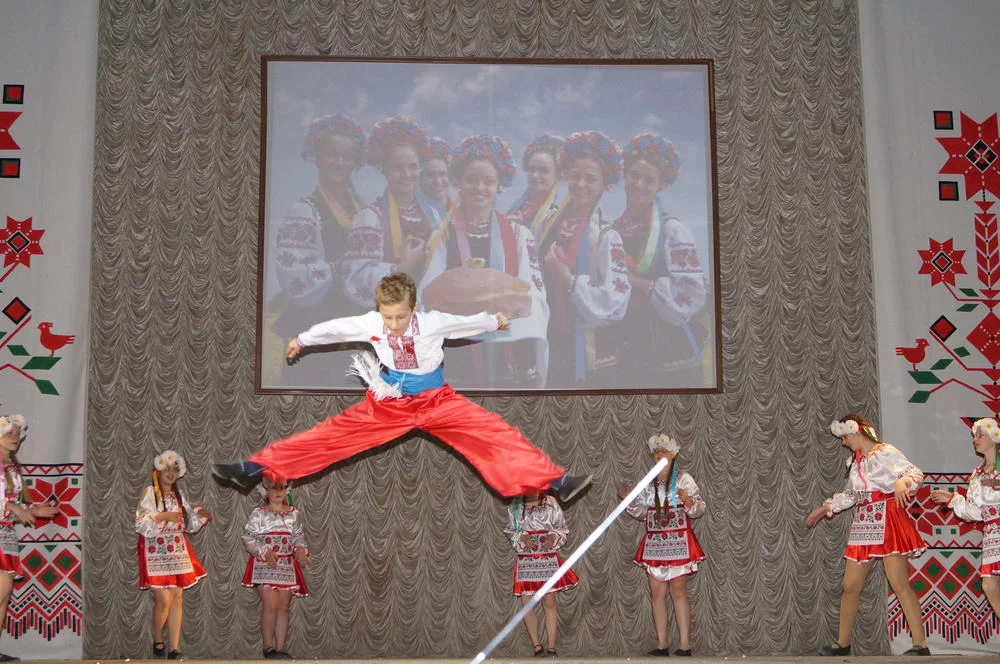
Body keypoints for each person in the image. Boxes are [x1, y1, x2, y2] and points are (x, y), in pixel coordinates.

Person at [213, 272, 590, 503]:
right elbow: (335, 328)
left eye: (401, 317)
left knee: (495, 433)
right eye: (387, 317)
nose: (393, 325)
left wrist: (494, 321)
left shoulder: (433, 322)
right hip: (390, 403)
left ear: (415, 307)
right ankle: (253, 466)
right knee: (329, 436)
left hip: (436, 401)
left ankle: (555, 480)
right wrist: (301, 339)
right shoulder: (371, 322)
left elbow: (466, 322)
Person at [420, 134, 549, 388]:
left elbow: (533, 293)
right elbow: (429, 291)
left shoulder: (519, 234)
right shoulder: (443, 234)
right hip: (458, 349)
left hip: (509, 345)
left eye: (488, 181)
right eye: (472, 180)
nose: (479, 188)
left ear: (500, 184)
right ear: (458, 182)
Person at [805, 414, 930, 657]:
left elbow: (914, 473)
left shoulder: (885, 452)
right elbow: (852, 495)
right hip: (864, 522)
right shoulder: (854, 461)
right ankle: (843, 643)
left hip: (887, 517)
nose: (843, 443)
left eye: (845, 437)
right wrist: (826, 507)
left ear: (855, 431)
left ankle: (920, 644)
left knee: (898, 582)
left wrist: (903, 482)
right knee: (850, 586)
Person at [268, 114, 369, 387]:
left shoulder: (361, 208)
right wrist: (338, 266)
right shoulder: (305, 210)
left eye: (347, 157)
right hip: (316, 321)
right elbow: (293, 278)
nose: (339, 162)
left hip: (356, 322)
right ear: (317, 157)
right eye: (332, 154)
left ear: (356, 161)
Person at [612, 133, 709, 388]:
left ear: (661, 186)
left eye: (649, 180)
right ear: (625, 175)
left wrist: (636, 281)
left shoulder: (672, 230)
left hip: (670, 350)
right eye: (634, 175)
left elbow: (691, 293)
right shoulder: (612, 231)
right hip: (627, 345)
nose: (639, 184)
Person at [536, 130, 631, 387]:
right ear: (566, 174)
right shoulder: (548, 224)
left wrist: (567, 279)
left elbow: (615, 300)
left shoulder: (607, 236)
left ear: (604, 185)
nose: (580, 184)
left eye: (590, 179)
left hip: (592, 352)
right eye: (575, 176)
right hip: (552, 341)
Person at [617, 434, 705, 657]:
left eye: (664, 451)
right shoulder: (648, 482)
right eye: (656, 452)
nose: (660, 455)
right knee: (656, 593)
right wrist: (629, 500)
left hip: (678, 542)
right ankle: (662, 644)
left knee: (678, 591)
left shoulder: (684, 479)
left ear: (673, 455)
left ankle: (684, 645)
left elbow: (699, 508)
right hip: (656, 544)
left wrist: (688, 501)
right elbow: (641, 513)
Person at [341, 117, 441, 307]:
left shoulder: (432, 216)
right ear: (384, 169)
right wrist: (403, 267)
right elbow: (356, 280)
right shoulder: (370, 218)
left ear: (420, 167)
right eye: (398, 168)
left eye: (412, 167)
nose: (406, 174)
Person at [136, 450, 213, 660]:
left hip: (177, 548)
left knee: (177, 598)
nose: (170, 473)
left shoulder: (179, 496)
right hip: (155, 549)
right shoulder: (149, 492)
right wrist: (163, 516)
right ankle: (158, 639)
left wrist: (200, 516)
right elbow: (141, 523)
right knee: (164, 599)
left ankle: (175, 648)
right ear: (158, 471)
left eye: (174, 470)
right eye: (166, 469)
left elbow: (187, 525)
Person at [0, 415, 59, 663]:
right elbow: (8, 505)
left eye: (17, 434)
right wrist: (13, 508)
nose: (15, 438)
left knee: (5, 595)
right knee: (1, 591)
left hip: (6, 535)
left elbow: (18, 504)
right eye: (9, 433)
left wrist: (33, 509)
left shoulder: (13, 468)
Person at [930, 417, 1000, 623]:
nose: (975, 439)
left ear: (995, 437)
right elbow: (976, 512)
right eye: (974, 436)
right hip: (992, 534)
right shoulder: (977, 474)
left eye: (980, 435)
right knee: (989, 585)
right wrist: (952, 499)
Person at [242, 471, 309, 660]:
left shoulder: (293, 514)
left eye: (282, 488)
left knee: (283, 607)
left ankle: (280, 648)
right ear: (266, 490)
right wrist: (264, 551)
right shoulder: (259, 514)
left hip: (286, 565)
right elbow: (248, 537)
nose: (278, 492)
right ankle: (268, 647)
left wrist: (301, 550)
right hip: (265, 564)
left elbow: (298, 537)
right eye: (274, 488)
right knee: (270, 605)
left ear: (287, 489)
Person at [504, 492, 579, 657]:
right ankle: (537, 646)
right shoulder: (516, 505)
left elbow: (561, 527)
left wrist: (552, 537)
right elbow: (510, 530)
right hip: (527, 558)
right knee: (526, 603)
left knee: (549, 601)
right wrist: (522, 538)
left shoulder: (551, 502)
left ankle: (552, 648)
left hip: (547, 556)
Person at [507, 135, 564, 237]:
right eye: (531, 169)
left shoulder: (556, 217)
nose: (535, 175)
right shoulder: (519, 206)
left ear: (558, 175)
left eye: (544, 170)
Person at [418, 136, 453, 218]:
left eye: (442, 174)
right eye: (430, 175)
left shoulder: (461, 211)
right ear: (420, 179)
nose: (438, 182)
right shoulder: (413, 216)